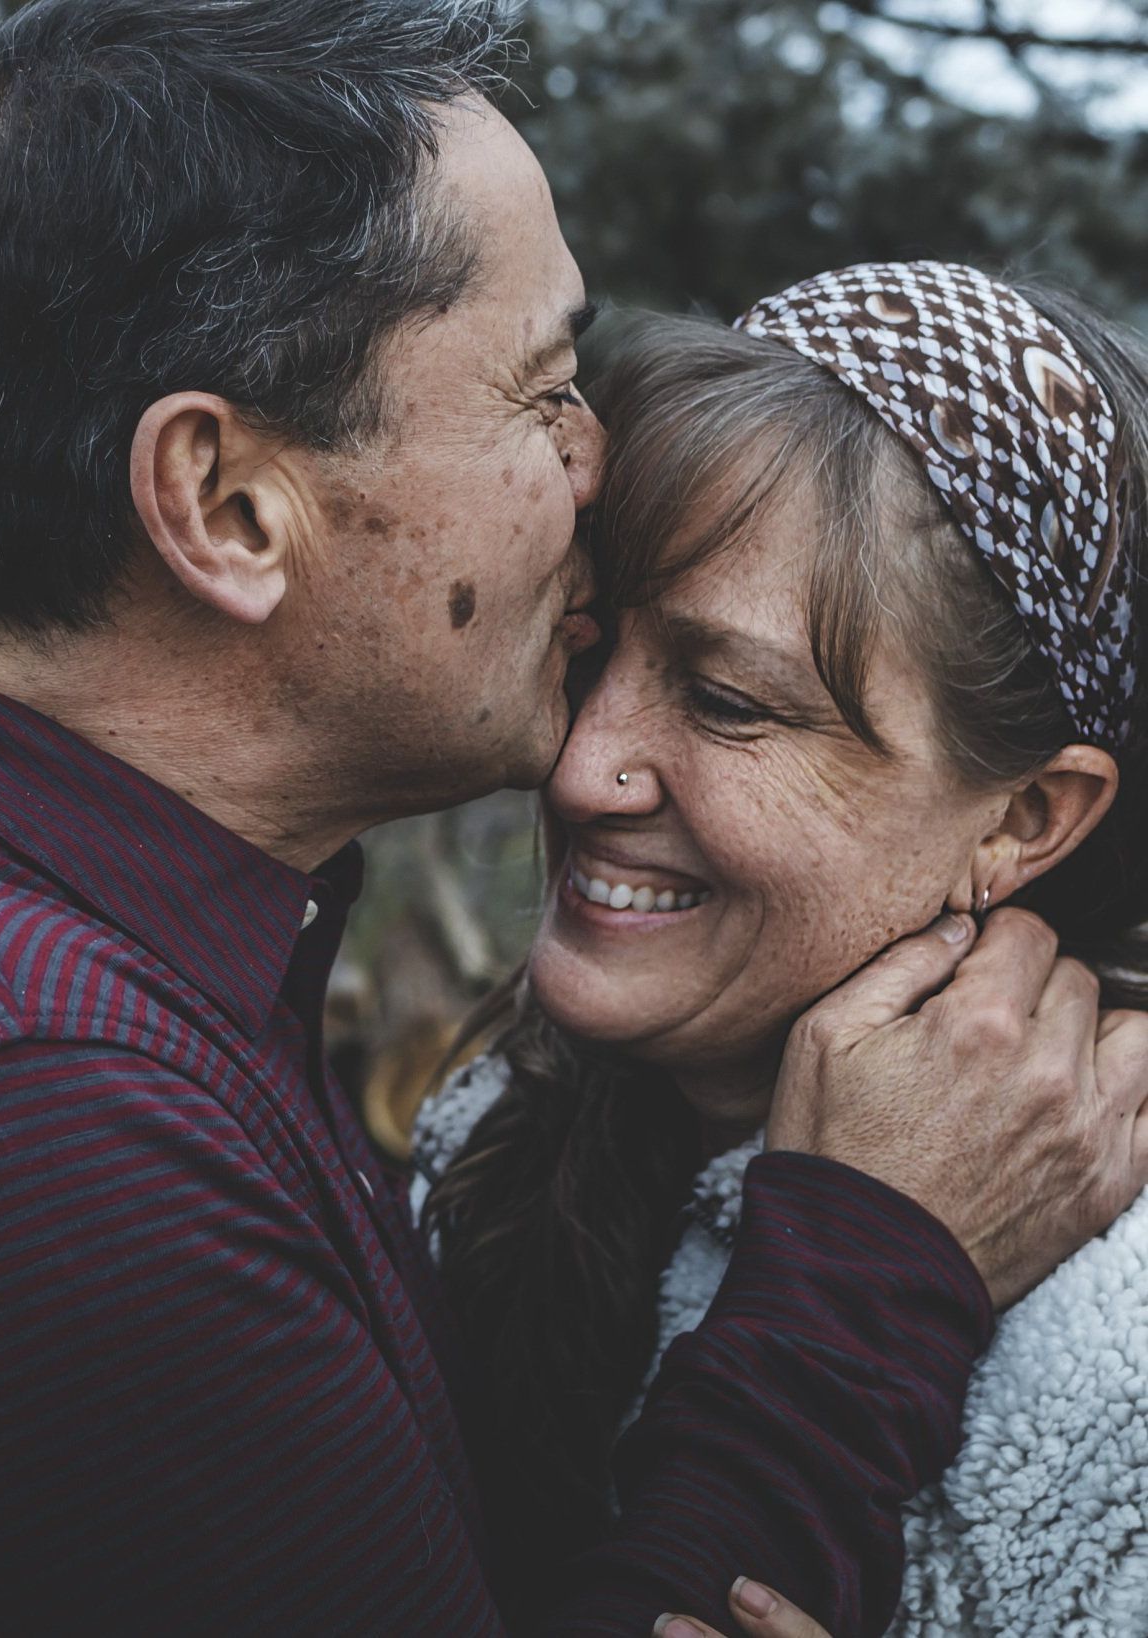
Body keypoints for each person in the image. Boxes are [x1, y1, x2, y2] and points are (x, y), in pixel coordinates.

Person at [0, 0, 1143, 1624]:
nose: (590, 461)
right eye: (543, 387)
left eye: (727, 696)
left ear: (1034, 815)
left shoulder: (11, 955)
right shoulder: (43, 1138)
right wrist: (859, 1287)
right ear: (227, 506)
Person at [416, 262, 1148, 1636]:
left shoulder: (1120, 1355)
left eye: (727, 699)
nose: (581, 767)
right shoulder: (490, 1136)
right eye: (585, 647)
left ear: (1027, 816)